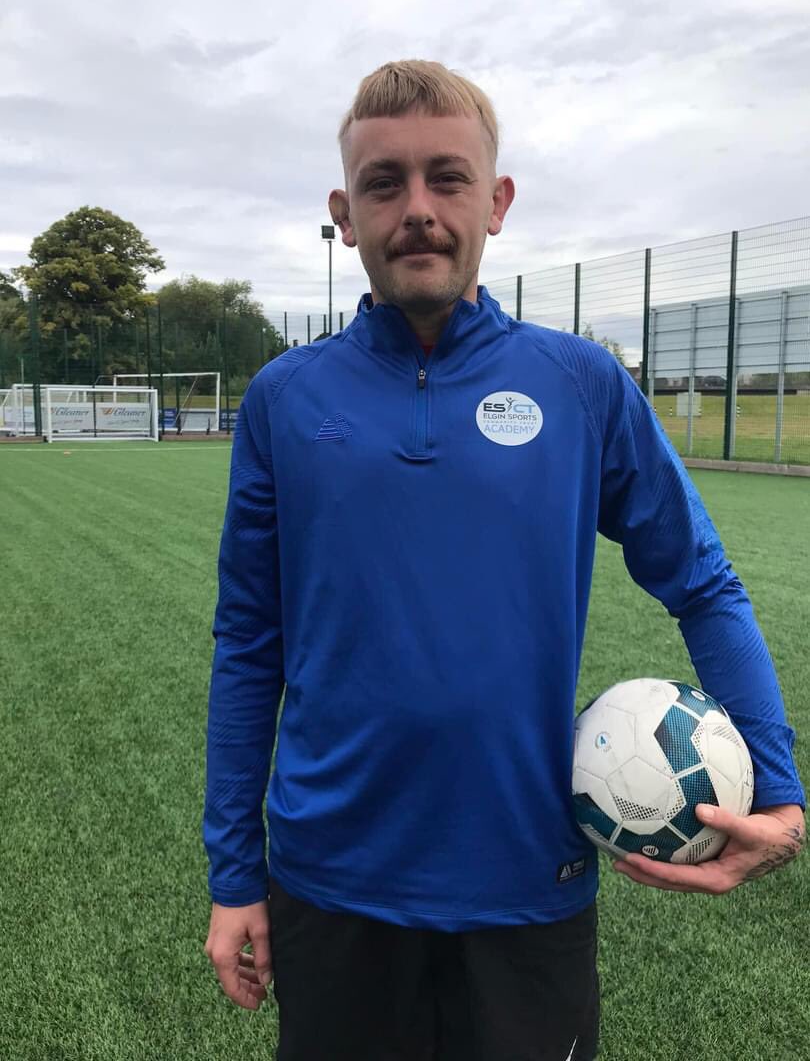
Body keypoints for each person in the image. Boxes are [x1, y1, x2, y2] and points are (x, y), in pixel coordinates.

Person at [203, 60, 806, 1060]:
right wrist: (234, 878)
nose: (420, 210)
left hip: (529, 887)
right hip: (328, 883)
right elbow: (248, 643)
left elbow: (701, 580)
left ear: (499, 200)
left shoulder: (579, 385)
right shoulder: (284, 399)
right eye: (385, 184)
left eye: (449, 178)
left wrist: (777, 789)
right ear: (345, 214)